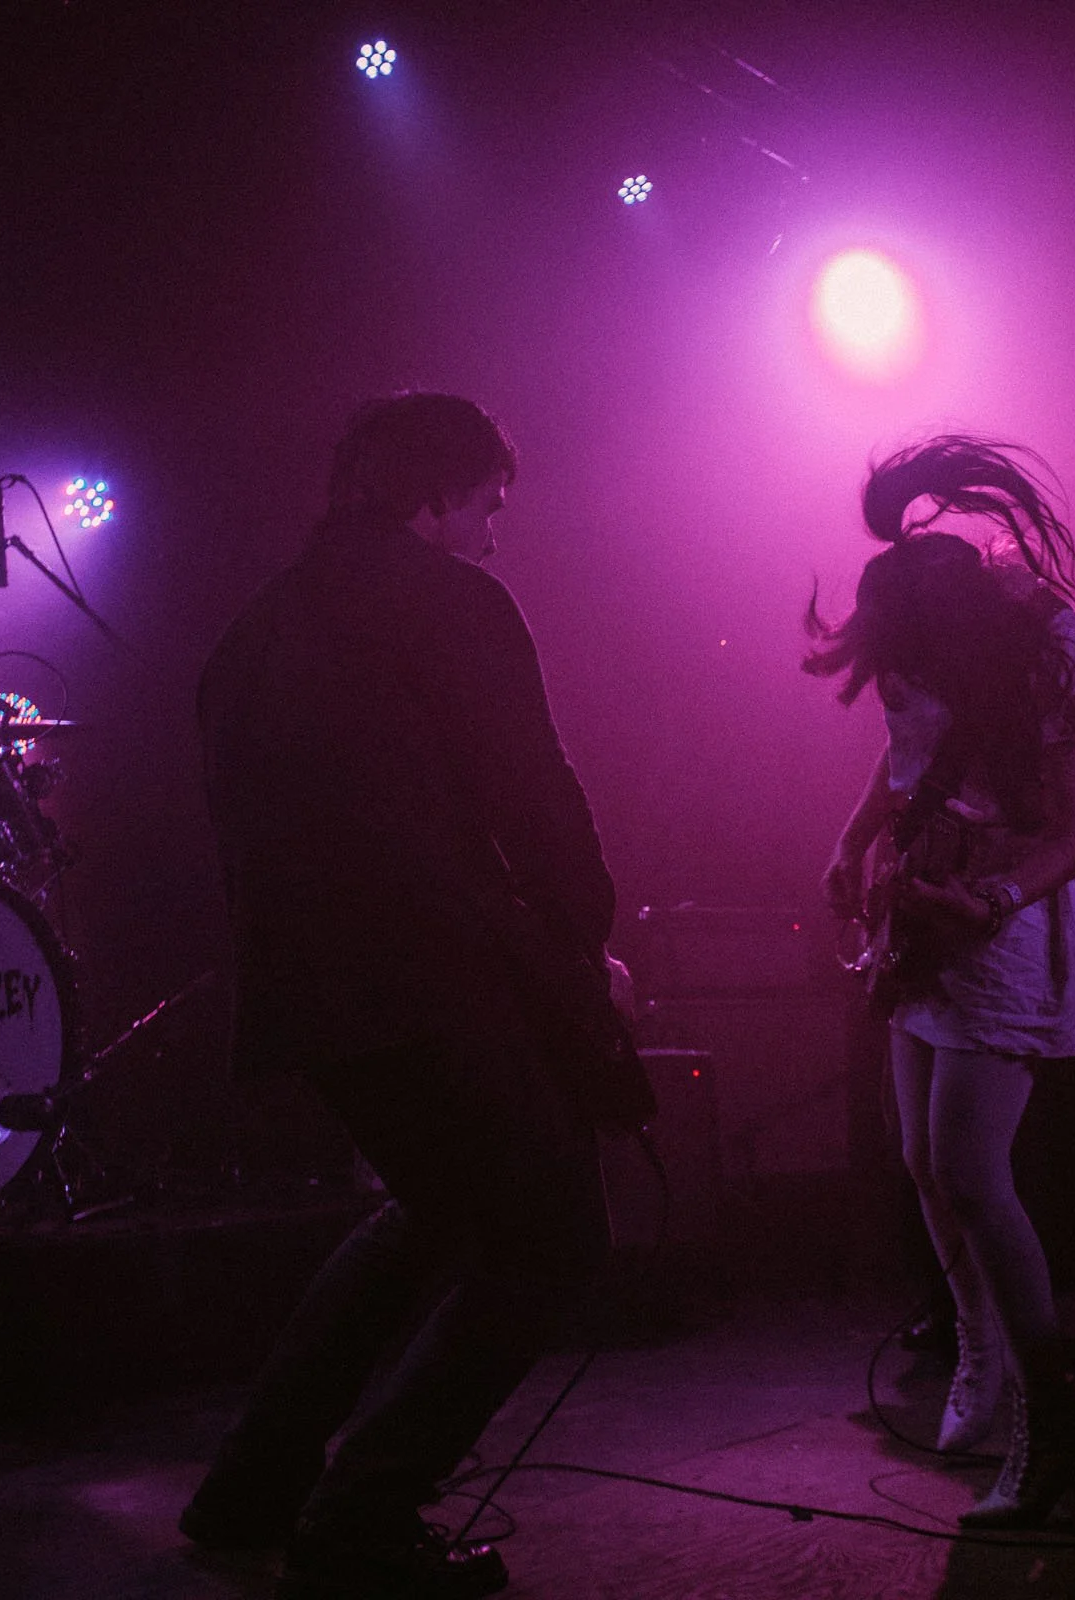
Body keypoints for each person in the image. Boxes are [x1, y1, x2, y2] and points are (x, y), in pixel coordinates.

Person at [188, 393, 626, 1599]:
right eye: (487, 505)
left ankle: (253, 1484)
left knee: (434, 1207)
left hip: (301, 986)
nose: (493, 533)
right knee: (550, 1234)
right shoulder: (449, 601)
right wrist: (582, 928)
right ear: (437, 496)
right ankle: (363, 1515)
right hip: (429, 975)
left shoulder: (252, 630)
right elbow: (527, 788)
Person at [807, 435, 1075, 1528]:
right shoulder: (923, 643)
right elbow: (906, 751)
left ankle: (1053, 1421)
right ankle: (982, 1357)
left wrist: (985, 903)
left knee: (970, 1168)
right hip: (927, 916)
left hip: (1013, 921)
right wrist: (855, 840)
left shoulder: (1062, 648)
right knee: (924, 1163)